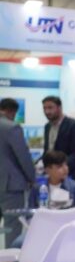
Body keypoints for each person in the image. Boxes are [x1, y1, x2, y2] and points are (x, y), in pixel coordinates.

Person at [0, 98, 36, 245]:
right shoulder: (12, 127)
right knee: (12, 228)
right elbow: (23, 156)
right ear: (13, 112)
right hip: (10, 186)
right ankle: (10, 259)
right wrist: (32, 178)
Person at [42, 95, 75, 183]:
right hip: (51, 178)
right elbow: (47, 151)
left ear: (59, 108)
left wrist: (58, 168)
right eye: (45, 108)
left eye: (50, 108)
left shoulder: (74, 126)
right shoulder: (47, 127)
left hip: (70, 176)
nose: (47, 111)